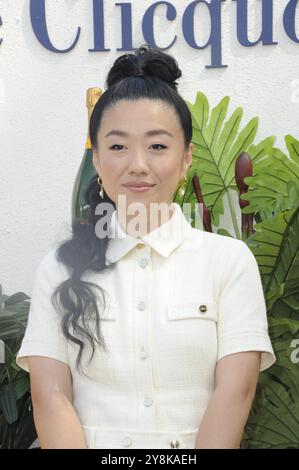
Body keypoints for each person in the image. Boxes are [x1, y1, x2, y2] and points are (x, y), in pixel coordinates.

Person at [16, 44, 276, 449]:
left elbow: (236, 390)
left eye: (157, 145)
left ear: (187, 158)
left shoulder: (227, 262)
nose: (138, 164)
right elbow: (50, 397)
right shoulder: (60, 267)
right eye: (118, 147)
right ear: (98, 162)